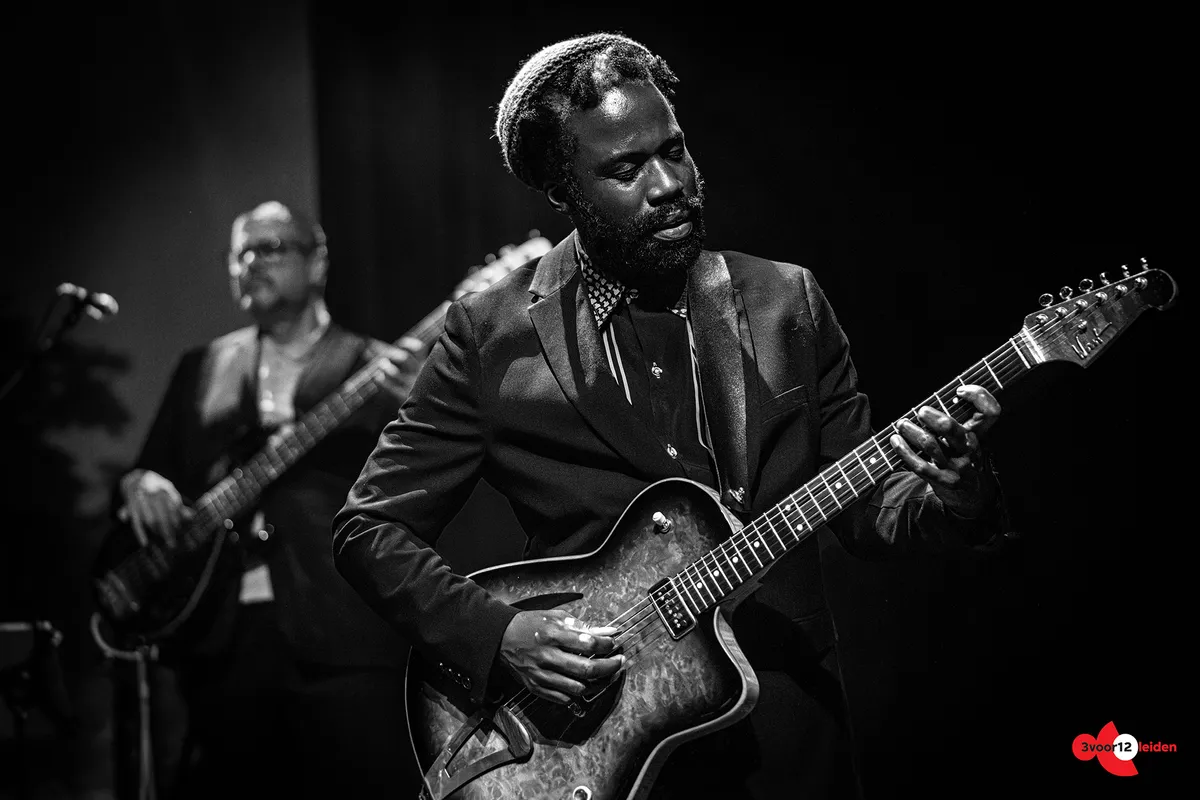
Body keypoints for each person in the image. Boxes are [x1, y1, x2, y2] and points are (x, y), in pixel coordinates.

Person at [332, 33, 1008, 800]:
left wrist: (956, 493)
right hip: (596, 739)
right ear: (562, 190)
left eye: (674, 150)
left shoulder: (785, 302)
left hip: (787, 737)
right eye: (626, 170)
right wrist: (500, 636)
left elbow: (870, 515)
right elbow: (369, 529)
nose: (668, 185)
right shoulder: (491, 336)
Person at [110, 200, 422, 799]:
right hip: (223, 633)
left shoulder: (374, 365)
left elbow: (423, 489)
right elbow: (151, 465)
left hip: (342, 626)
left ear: (317, 262)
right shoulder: (205, 366)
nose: (252, 263)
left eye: (271, 248)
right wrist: (139, 482)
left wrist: (416, 406)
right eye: (241, 253)